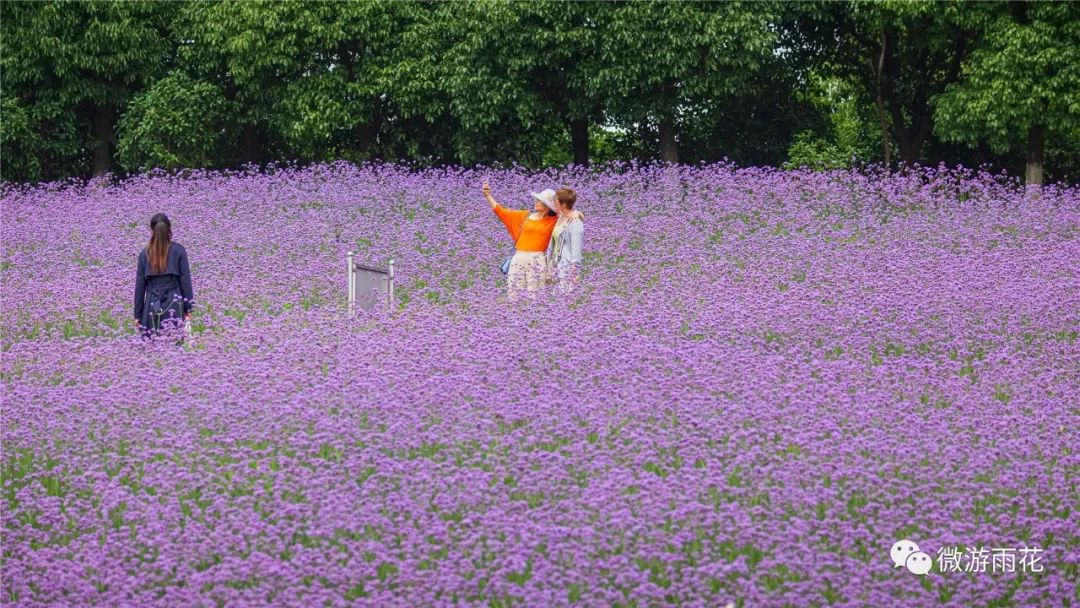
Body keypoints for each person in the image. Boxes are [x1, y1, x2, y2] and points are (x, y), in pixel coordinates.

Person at [482, 181, 558, 300]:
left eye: (540, 201)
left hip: (537, 259)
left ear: (547, 206)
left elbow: (569, 217)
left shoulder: (554, 221)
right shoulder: (526, 216)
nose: (536, 202)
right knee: (514, 295)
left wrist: (578, 214)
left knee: (535, 296)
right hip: (519, 257)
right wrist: (488, 196)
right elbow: (502, 212)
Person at [134, 213, 194, 335]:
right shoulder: (179, 250)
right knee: (175, 344)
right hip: (175, 304)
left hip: (151, 305)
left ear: (152, 230)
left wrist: (138, 315)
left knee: (151, 345)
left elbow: (140, 287)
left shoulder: (144, 254)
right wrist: (188, 309)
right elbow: (185, 282)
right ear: (169, 229)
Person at [546, 187, 584, 292]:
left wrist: (574, 272)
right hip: (555, 263)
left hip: (566, 264)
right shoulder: (559, 217)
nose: (553, 203)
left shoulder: (575, 223)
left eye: (555, 201)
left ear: (563, 204)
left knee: (564, 294)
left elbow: (576, 250)